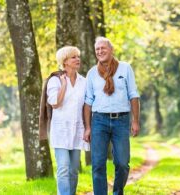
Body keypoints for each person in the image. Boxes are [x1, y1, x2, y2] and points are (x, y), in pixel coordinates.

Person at [83, 37, 140, 195]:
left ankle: (117, 192)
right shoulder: (92, 73)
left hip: (121, 120)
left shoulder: (125, 68)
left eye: (103, 48)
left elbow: (133, 95)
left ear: (111, 49)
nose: (100, 51)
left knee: (122, 163)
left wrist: (135, 121)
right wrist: (87, 127)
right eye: (97, 49)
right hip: (99, 121)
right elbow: (88, 102)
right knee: (98, 164)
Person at [40, 46, 89, 195]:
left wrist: (88, 127)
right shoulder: (55, 80)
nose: (77, 59)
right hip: (61, 130)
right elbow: (55, 103)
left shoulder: (83, 81)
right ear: (65, 61)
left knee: (74, 170)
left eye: (78, 56)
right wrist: (64, 86)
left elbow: (88, 105)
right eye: (73, 57)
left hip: (77, 130)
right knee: (63, 168)